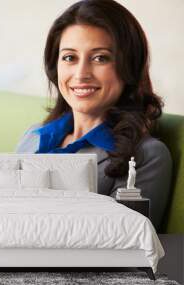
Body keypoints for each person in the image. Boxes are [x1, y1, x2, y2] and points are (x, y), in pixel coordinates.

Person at [15, 0, 172, 231]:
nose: (81, 74)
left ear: (128, 66)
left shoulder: (145, 156)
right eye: (69, 57)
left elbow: (124, 247)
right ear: (54, 66)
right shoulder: (33, 137)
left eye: (100, 58)